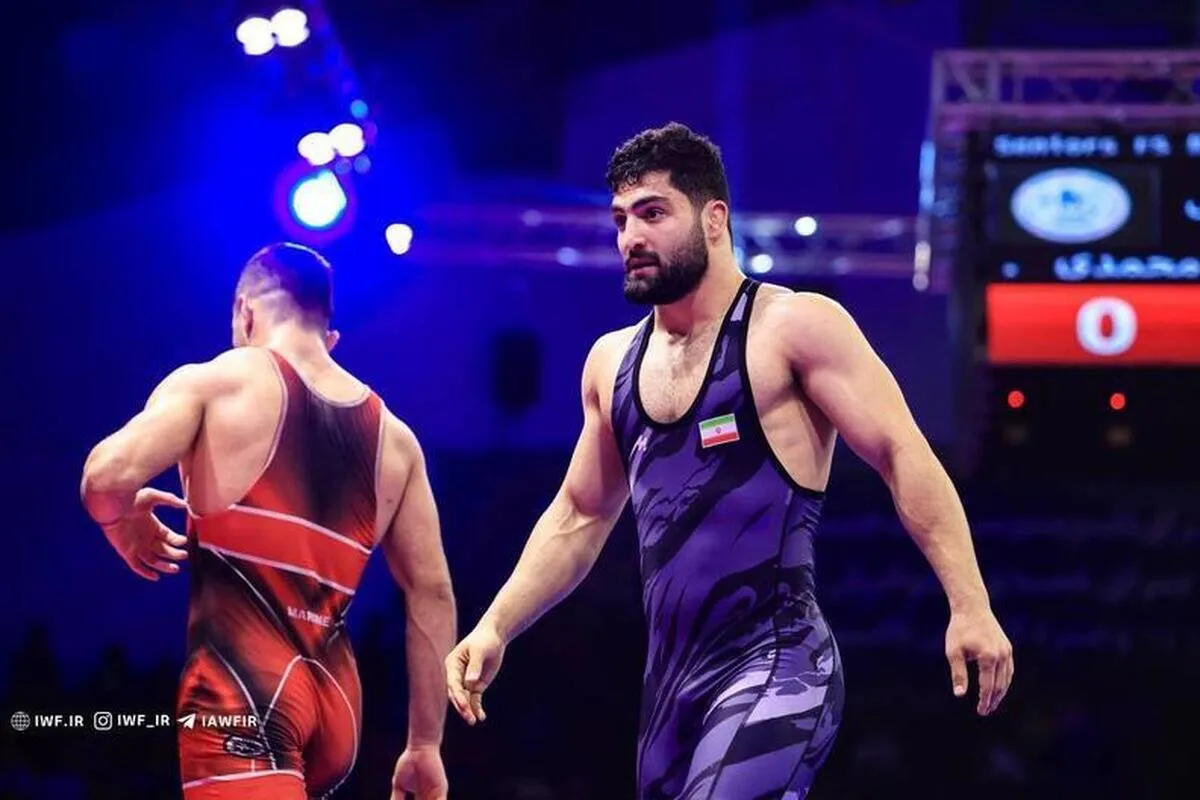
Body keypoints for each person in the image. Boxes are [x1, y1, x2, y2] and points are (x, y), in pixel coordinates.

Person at [445, 123, 1014, 799]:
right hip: (669, 694)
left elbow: (900, 452)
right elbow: (580, 515)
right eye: (621, 220)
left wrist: (969, 603)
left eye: (653, 213)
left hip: (779, 665)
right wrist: (496, 625)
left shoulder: (793, 328)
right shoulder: (610, 363)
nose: (631, 238)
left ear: (714, 218)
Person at [80, 243, 455, 800]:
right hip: (337, 706)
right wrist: (425, 745)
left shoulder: (222, 381)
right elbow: (433, 592)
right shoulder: (397, 440)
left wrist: (120, 524)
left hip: (243, 693)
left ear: (244, 312)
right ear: (330, 336)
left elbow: (104, 479)